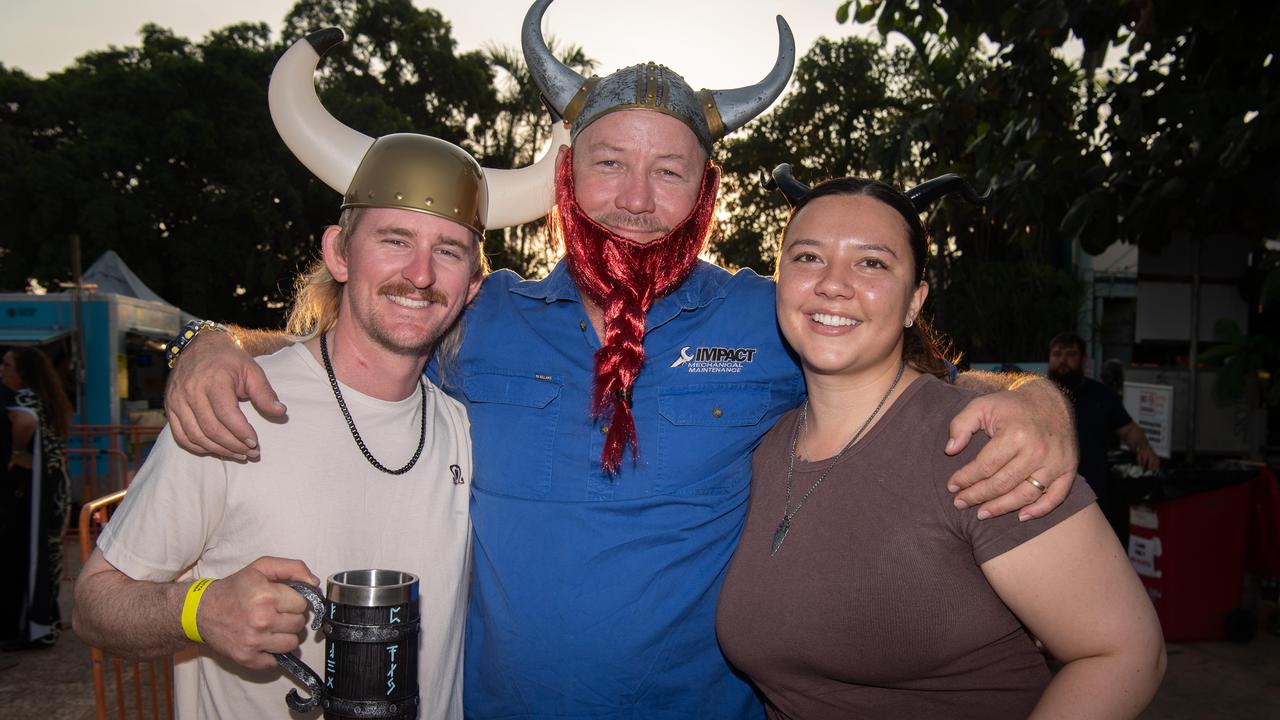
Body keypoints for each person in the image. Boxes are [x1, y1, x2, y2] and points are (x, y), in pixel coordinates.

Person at [162, 2, 1081, 716]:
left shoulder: (774, 317)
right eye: (608, 164)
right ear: (565, 177)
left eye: (669, 170)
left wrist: (1036, 398)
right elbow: (361, 344)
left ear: (707, 191)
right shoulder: (488, 317)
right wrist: (225, 343)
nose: (637, 199)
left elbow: (916, 386)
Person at [72, 29, 560, 719]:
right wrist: (197, 611)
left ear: (473, 288)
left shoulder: (462, 426)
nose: (419, 276)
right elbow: (95, 604)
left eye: (448, 251)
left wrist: (209, 335)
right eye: (394, 240)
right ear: (338, 253)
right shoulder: (231, 407)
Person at [716, 170, 1166, 719]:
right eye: (808, 257)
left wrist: (1040, 397)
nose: (833, 283)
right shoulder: (763, 447)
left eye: (872, 262)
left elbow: (1124, 653)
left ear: (914, 301)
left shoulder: (981, 447)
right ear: (779, 280)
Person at [1048, 331, 1159, 545]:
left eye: (1070, 354)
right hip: (1045, 494)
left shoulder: (1102, 395)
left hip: (1093, 495)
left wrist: (1143, 446)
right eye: (1056, 354)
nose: (1062, 360)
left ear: (1083, 359)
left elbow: (1128, 430)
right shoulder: (1034, 395)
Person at [1, 346, 74, 651]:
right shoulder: (48, 397)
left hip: (39, 490)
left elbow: (25, 423)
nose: (2, 370)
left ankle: (36, 626)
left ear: (23, 371)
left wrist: (14, 452)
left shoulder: (25, 399)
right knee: (48, 553)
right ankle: (46, 621)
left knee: (34, 554)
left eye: (6, 365)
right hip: (55, 486)